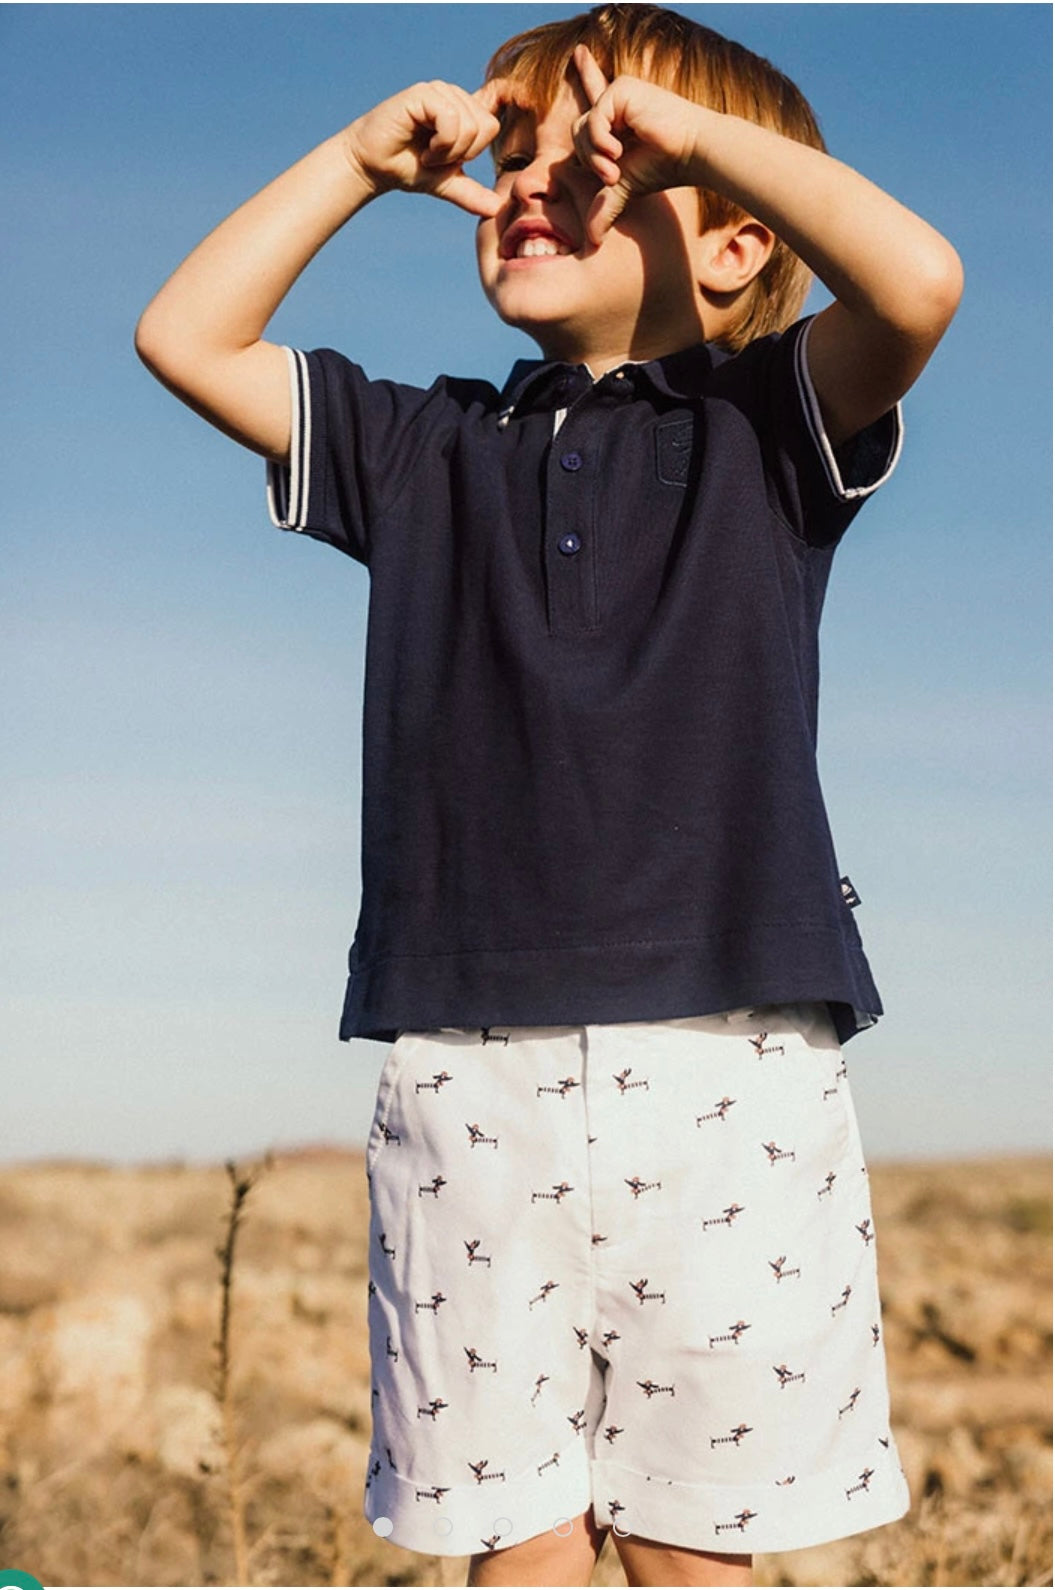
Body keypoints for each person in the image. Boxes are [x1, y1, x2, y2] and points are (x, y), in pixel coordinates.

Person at [135, 6, 962, 1585]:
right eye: (516, 150)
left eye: (602, 159)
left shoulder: (768, 424)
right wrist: (359, 166)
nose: (534, 181)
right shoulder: (419, 444)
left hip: (728, 1067)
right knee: (516, 1554)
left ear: (731, 240)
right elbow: (187, 339)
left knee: (694, 1555)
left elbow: (919, 282)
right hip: (468, 1077)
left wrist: (698, 135)